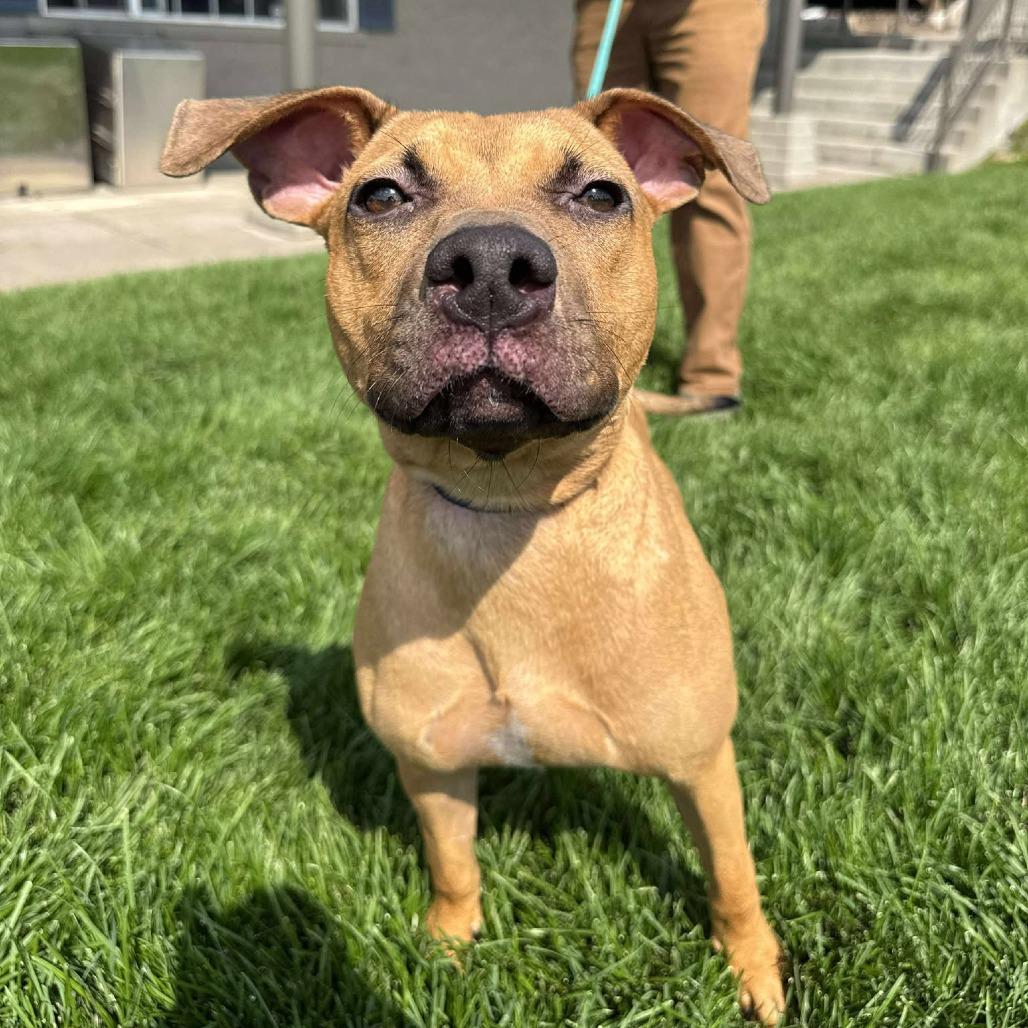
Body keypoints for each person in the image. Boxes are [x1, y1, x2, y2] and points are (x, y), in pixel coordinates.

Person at [573, 0, 767, 415]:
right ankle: (588, 367)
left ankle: (710, 377)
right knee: (583, 185)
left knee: (709, 184)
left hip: (709, 8)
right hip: (605, 8)